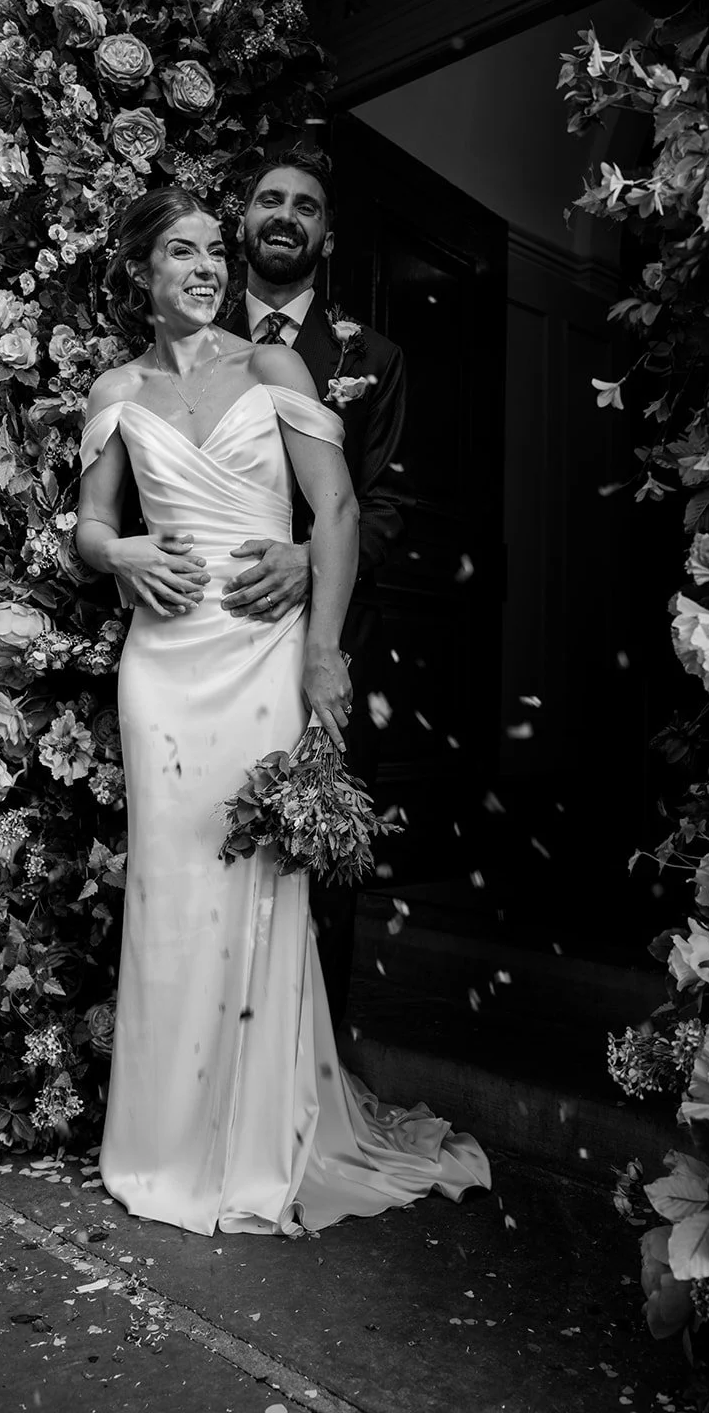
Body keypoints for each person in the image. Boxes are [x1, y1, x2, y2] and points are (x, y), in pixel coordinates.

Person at [76, 186, 490, 1237]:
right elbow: (89, 521)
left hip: (261, 655)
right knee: (170, 896)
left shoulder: (274, 367)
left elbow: (341, 507)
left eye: (215, 250)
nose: (209, 266)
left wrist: (320, 660)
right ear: (143, 272)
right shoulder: (115, 386)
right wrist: (116, 549)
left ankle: (253, 1135)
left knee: (257, 885)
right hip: (161, 669)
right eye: (184, 251)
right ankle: (163, 1141)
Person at [223, 149, 407, 1028]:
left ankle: (307, 1068)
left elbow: (390, 501)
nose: (284, 215)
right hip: (213, 632)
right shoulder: (193, 340)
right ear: (241, 220)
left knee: (320, 849)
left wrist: (309, 555)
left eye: (304, 205)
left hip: (325, 635)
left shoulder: (372, 355)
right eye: (269, 200)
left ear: (325, 235)